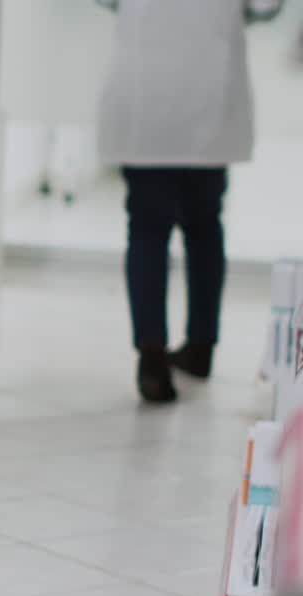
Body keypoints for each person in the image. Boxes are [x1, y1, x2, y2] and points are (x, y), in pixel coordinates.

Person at [96, 0, 280, 402]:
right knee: (204, 227)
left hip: (145, 93)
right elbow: (266, 5)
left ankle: (151, 357)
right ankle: (200, 347)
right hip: (209, 93)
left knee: (147, 229)